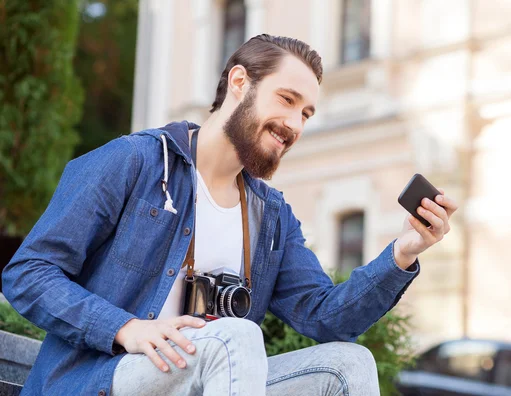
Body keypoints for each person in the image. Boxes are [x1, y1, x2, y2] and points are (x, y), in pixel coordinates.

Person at [2, 34, 458, 396]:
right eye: (286, 99)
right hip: (104, 378)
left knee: (348, 364)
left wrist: (402, 253)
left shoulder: (271, 216)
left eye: (306, 112)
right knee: (236, 336)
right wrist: (126, 328)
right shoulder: (135, 161)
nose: (295, 125)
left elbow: (325, 317)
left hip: (214, 379)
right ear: (240, 82)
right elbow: (28, 273)